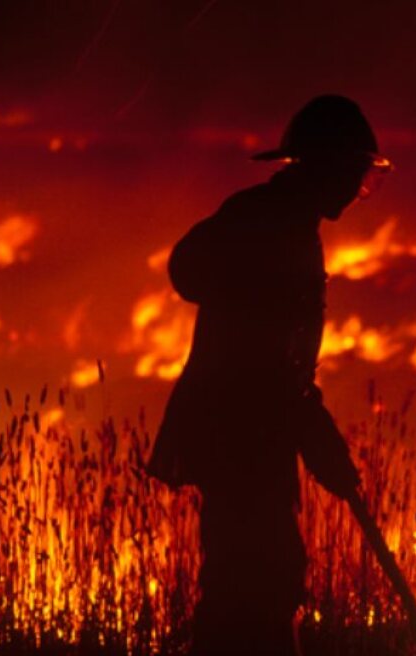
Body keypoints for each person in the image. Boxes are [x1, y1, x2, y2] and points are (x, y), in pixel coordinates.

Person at [148, 95, 393, 655]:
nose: (358, 189)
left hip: (256, 430)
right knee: (255, 581)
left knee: (265, 578)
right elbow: (261, 362)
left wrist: (314, 429)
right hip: (239, 434)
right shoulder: (269, 225)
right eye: (355, 172)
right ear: (326, 168)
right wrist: (307, 425)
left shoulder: (287, 224)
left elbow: (283, 364)